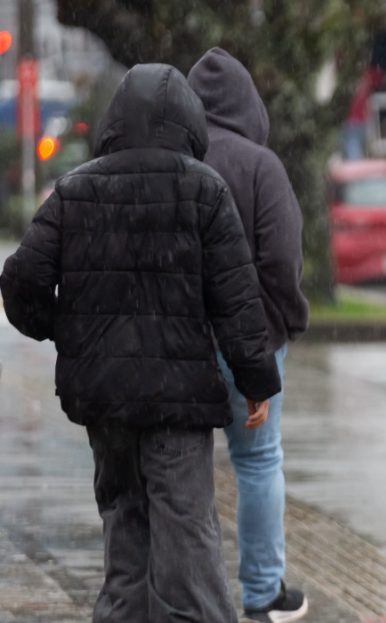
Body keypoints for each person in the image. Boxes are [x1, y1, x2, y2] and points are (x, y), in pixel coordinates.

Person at [0, 63, 280, 623]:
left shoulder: (76, 189)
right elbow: (236, 296)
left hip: (103, 401)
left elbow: (21, 279)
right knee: (187, 541)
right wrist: (257, 381)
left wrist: (69, 328)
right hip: (178, 403)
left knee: (124, 529)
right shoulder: (204, 189)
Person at [187, 47, 310, 623]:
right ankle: (262, 596)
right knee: (258, 463)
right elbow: (281, 261)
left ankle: (192, 595)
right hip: (252, 340)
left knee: (183, 470)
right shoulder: (262, 166)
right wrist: (286, 320)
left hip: (182, 341)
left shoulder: (176, 158)